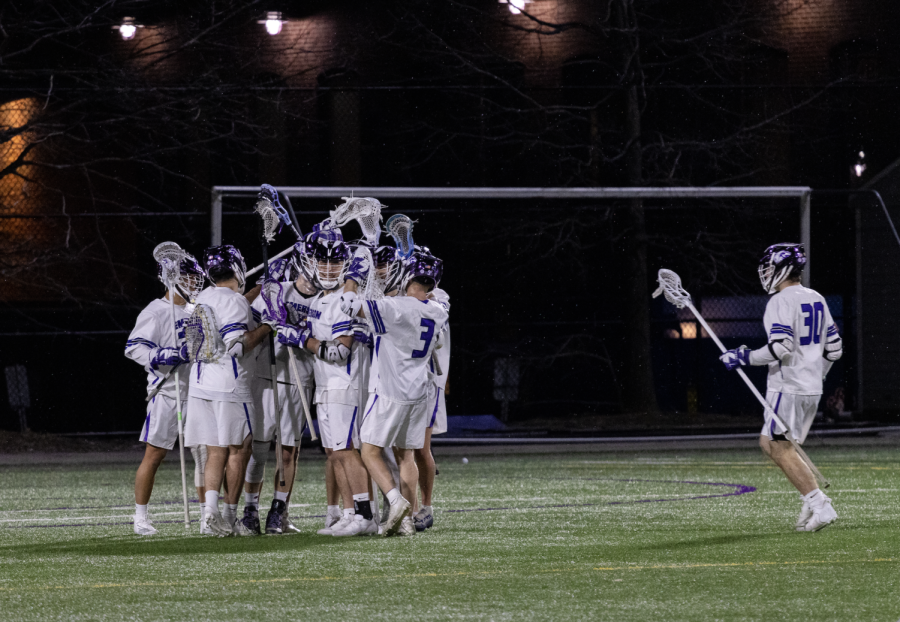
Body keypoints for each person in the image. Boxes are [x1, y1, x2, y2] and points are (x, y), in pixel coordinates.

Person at [719, 243, 841, 532]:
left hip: (788, 385)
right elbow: (834, 350)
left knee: (778, 446)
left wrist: (743, 356)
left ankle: (820, 504)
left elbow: (781, 348)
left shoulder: (780, 301)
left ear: (782, 268)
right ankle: (812, 499)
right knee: (775, 444)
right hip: (810, 387)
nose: (766, 273)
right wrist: (815, 376)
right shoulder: (816, 297)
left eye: (770, 267)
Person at [340, 247, 449, 536]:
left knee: (369, 451)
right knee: (407, 456)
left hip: (389, 390)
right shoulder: (437, 311)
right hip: (418, 394)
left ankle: (395, 499)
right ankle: (410, 521)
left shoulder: (395, 307)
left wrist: (353, 276)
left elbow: (348, 304)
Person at [184, 245, 273, 536]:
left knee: (214, 451)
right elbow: (238, 345)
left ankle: (209, 514)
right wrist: (270, 325)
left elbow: (229, 308)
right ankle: (230, 516)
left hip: (200, 385)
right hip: (230, 386)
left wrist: (258, 292)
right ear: (237, 268)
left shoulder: (201, 298)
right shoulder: (234, 301)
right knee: (239, 450)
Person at [296, 228, 377, 537]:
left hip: (345, 384)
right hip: (325, 385)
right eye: (323, 262)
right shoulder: (319, 299)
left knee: (346, 451)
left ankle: (365, 515)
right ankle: (348, 512)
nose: (328, 268)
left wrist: (304, 340)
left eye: (334, 262)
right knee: (334, 453)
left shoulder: (346, 300)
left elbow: (339, 351)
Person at [125, 250, 205, 536]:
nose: (194, 282)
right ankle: (140, 516)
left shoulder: (198, 308)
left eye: (196, 277)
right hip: (168, 391)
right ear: (170, 278)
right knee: (155, 454)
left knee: (204, 454)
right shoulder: (155, 310)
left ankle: (206, 514)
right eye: (187, 276)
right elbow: (133, 348)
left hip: (198, 390)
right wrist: (169, 354)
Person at [241, 254, 318, 535]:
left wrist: (299, 331)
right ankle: (250, 510)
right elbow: (246, 316)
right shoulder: (276, 289)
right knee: (258, 449)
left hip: (300, 380)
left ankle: (278, 511)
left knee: (288, 452)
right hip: (266, 375)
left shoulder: (323, 298)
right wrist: (268, 321)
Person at [414, 284, 450, 531]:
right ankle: (408, 506)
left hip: (426, 382)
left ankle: (425, 507)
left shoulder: (438, 298)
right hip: (399, 381)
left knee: (420, 447)